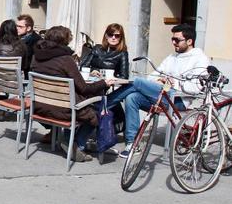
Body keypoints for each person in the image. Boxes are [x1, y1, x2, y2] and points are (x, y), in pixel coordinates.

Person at [108, 24, 209, 158]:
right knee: (132, 97)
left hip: (178, 100)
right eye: (172, 39)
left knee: (138, 82)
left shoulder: (200, 59)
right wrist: (160, 79)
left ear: (189, 41)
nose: (173, 43)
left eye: (177, 40)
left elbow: (197, 87)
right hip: (162, 96)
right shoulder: (172, 57)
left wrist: (175, 83)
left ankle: (104, 105)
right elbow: (152, 76)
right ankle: (132, 143)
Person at [31, 26, 115, 161]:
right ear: (64, 41)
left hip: (40, 106)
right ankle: (75, 144)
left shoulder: (36, 56)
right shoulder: (65, 59)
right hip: (62, 110)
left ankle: (67, 140)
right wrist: (104, 83)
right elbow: (84, 89)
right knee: (96, 110)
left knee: (81, 102)